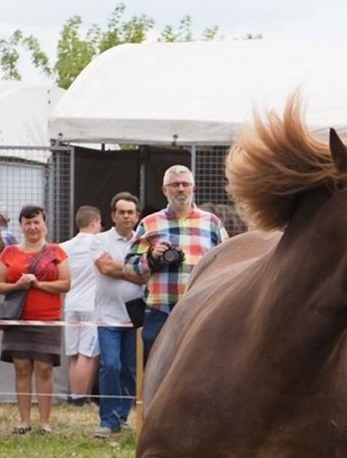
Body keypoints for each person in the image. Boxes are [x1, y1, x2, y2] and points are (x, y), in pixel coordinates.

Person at [124, 165, 228, 363]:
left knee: (200, 366)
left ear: (193, 188)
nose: (181, 189)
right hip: (160, 309)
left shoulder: (212, 223)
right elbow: (129, 267)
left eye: (185, 184)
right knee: (156, 371)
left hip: (201, 308)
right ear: (165, 190)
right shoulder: (149, 223)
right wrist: (152, 258)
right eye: (175, 185)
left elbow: (227, 265)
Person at [0, 204, 72, 435]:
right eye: (27, 223)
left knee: (45, 368)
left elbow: (66, 283)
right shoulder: (9, 253)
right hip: (17, 319)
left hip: (47, 319)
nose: (32, 227)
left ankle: (45, 422)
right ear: (21, 226)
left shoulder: (56, 251)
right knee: (21, 368)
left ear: (44, 225)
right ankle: (24, 421)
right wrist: (17, 285)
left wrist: (38, 284)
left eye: (36, 222)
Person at [93, 192, 145, 438]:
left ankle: (121, 417)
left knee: (130, 371)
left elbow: (147, 274)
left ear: (137, 216)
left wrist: (120, 268)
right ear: (113, 215)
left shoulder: (144, 242)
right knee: (110, 365)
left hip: (135, 317)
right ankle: (107, 419)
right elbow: (105, 267)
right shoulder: (99, 240)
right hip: (108, 317)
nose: (126, 216)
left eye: (130, 212)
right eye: (121, 212)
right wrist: (133, 270)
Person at [61, 205, 103, 405]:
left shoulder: (64, 246)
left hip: (70, 304)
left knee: (74, 354)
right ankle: (79, 399)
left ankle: (75, 395)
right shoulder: (99, 243)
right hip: (91, 305)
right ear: (95, 222)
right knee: (87, 354)